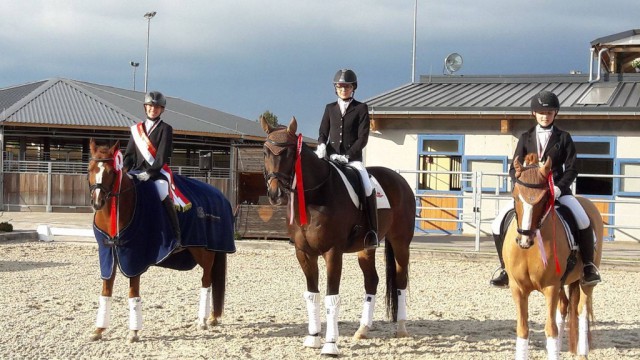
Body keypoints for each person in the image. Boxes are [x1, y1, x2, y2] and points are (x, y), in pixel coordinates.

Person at [489, 90, 602, 288]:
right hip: (530, 194)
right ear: (534, 113)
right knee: (497, 223)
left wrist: (559, 188)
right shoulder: (525, 138)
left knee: (583, 221)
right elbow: (513, 168)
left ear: (555, 114)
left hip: (558, 192)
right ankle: (504, 269)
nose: (545, 116)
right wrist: (521, 186)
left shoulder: (564, 138)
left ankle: (588, 267)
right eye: (541, 112)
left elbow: (573, 167)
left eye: (549, 113)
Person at [314, 69, 378, 250]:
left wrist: (347, 155)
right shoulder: (329, 108)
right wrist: (321, 145)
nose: (343, 89)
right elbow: (322, 132)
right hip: (332, 158)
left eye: (347, 86)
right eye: (340, 86)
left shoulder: (361, 108)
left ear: (353, 88)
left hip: (352, 160)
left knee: (367, 186)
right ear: (336, 88)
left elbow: (362, 138)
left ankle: (372, 231)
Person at [123, 91, 183, 248]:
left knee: (163, 192)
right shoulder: (136, 130)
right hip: (136, 171)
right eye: (150, 106)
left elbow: (163, 156)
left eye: (157, 107)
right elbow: (129, 155)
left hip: (156, 172)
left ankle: (176, 236)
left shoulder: (166, 129)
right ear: (145, 107)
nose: (153, 109)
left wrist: (150, 173)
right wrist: (124, 170)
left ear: (161, 110)